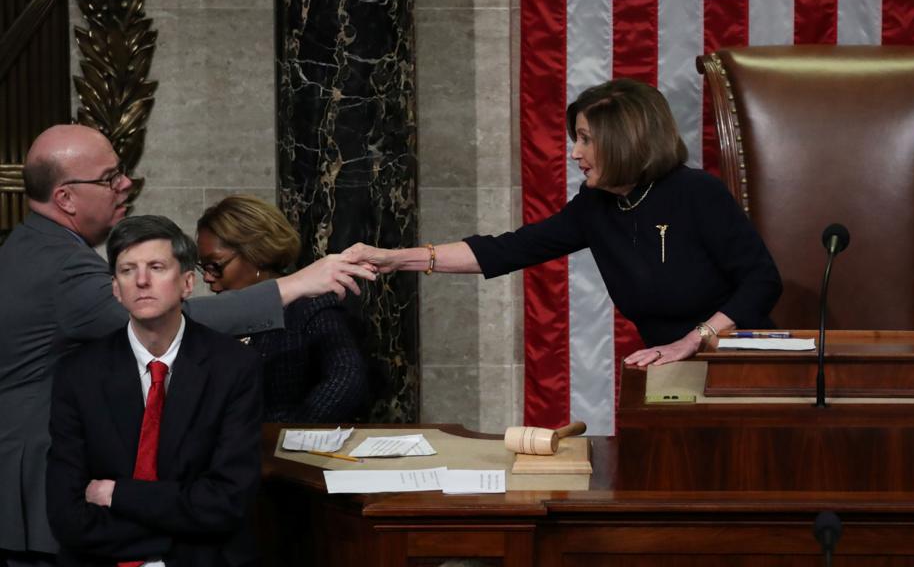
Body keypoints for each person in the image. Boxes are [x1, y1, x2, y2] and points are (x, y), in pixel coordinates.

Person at [0, 124, 374, 565]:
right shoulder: (63, 266)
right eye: (109, 178)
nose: (125, 185)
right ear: (65, 198)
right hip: (42, 490)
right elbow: (165, 316)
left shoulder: (30, 244)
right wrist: (293, 286)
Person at [342, 78, 781, 367]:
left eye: (586, 140)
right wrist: (399, 259)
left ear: (625, 142)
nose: (575, 154)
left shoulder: (696, 193)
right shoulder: (596, 206)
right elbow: (510, 248)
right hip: (667, 369)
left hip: (740, 362)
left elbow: (762, 281)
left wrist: (694, 339)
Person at [47, 215, 263, 565]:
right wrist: (177, 531)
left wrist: (117, 494)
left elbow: (226, 504)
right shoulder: (78, 373)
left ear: (187, 283)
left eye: (157, 267)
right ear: (116, 289)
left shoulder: (234, 368)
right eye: (127, 270)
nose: (142, 281)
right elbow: (68, 517)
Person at [196, 195, 369, 422]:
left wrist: (288, 434)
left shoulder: (310, 305)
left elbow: (347, 376)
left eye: (215, 265)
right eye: (203, 267)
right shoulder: (217, 318)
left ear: (254, 254)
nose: (208, 277)